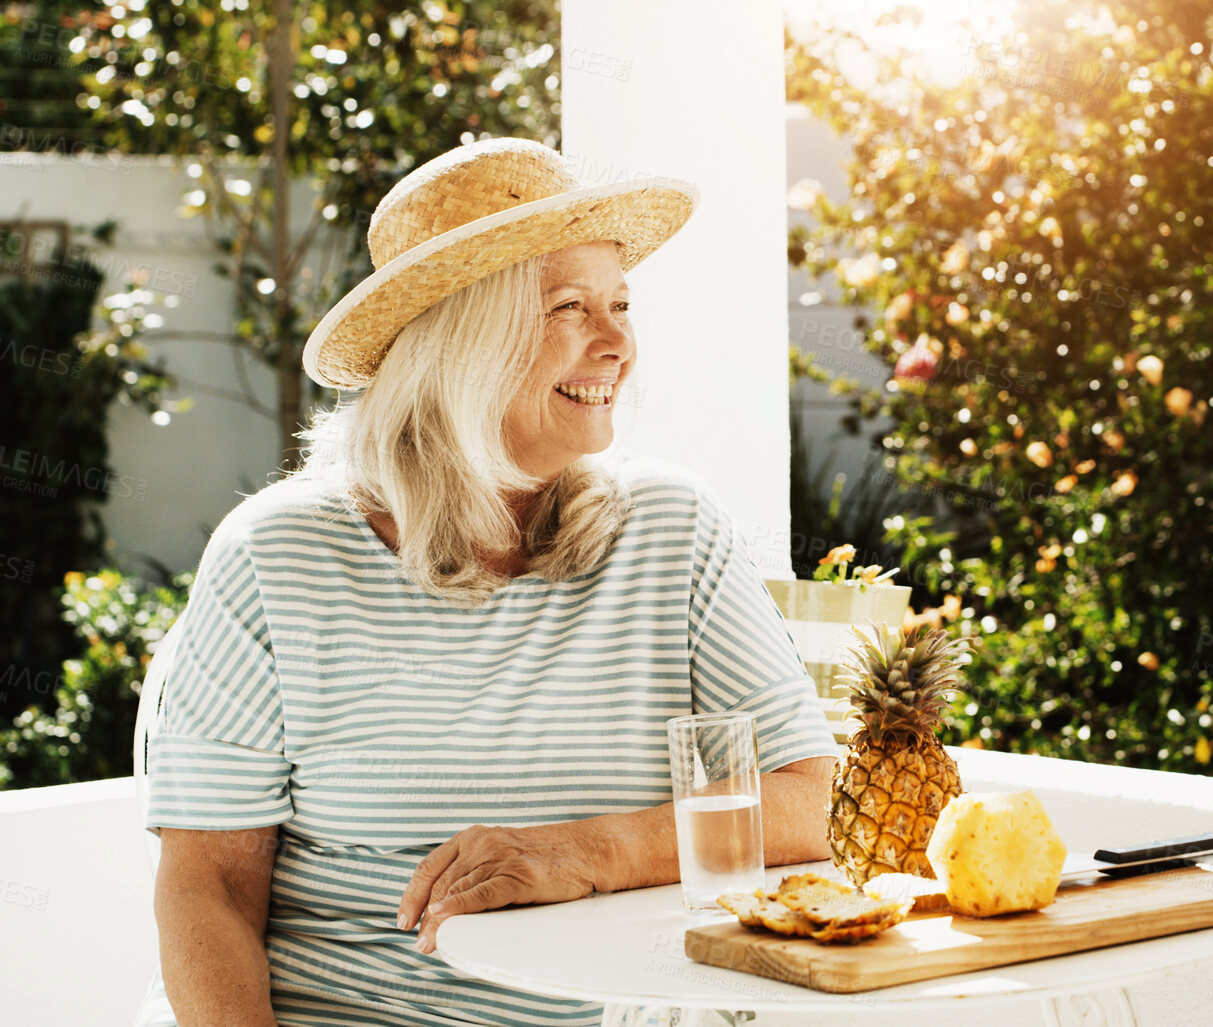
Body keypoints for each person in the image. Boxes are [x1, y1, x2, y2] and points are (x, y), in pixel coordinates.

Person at [139, 138, 839, 1026]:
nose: (618, 342)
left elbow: (812, 799)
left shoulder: (674, 531)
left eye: (621, 304)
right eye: (570, 308)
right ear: (461, 338)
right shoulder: (277, 556)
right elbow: (208, 889)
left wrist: (585, 851)